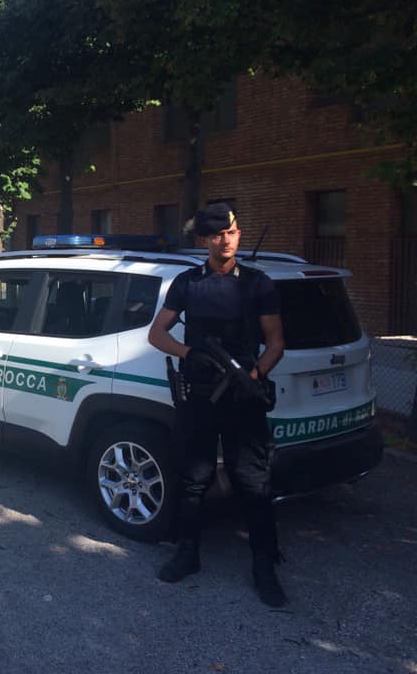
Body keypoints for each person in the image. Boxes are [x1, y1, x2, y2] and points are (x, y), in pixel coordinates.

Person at [147, 203, 287, 607]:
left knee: (253, 480)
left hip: (243, 395)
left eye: (232, 232)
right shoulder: (187, 283)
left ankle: (264, 564)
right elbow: (158, 333)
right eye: (217, 234)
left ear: (238, 235)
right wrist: (188, 353)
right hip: (200, 394)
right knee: (193, 477)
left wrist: (254, 376)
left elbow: (276, 343)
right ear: (205, 239)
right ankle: (188, 553)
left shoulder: (258, 284)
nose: (226, 240)